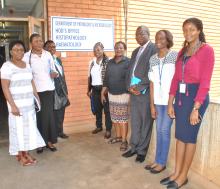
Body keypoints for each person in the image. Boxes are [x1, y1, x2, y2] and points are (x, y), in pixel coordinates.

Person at [161, 18, 215, 189]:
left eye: (192, 29)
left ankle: (183, 177)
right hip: (181, 98)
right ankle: (176, 172)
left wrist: (196, 108)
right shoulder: (182, 52)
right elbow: (176, 79)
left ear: (199, 30)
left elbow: (205, 82)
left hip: (196, 98)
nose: (188, 33)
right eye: (185, 30)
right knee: (180, 137)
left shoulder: (207, 50)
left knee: (189, 138)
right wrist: (170, 102)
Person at [0, 40, 45, 165]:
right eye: (16, 49)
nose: (19, 52)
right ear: (11, 52)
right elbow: (5, 87)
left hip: (29, 105)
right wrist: (13, 105)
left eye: (21, 49)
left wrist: (36, 97)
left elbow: (31, 82)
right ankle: (20, 155)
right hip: (16, 105)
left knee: (29, 130)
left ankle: (26, 152)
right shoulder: (7, 66)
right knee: (18, 130)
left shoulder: (27, 65)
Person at [122, 26, 157, 163]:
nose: (139, 36)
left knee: (145, 123)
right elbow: (130, 70)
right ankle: (133, 147)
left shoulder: (153, 49)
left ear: (148, 34)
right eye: (137, 34)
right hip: (133, 92)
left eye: (142, 33)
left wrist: (140, 87)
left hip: (145, 92)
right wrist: (129, 87)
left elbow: (152, 72)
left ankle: (142, 151)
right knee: (135, 122)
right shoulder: (136, 51)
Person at [144, 30, 177, 174]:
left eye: (162, 38)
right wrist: (151, 105)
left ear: (168, 40)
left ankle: (162, 162)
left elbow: (177, 81)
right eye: (157, 38)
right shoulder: (152, 59)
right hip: (157, 101)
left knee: (164, 130)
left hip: (171, 102)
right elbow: (151, 84)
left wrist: (173, 101)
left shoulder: (175, 56)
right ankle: (157, 160)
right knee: (158, 131)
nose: (158, 40)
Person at [23, 33, 58, 153]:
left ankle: (49, 141)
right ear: (31, 43)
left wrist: (54, 73)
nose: (39, 43)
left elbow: (52, 69)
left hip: (48, 89)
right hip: (35, 91)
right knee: (38, 117)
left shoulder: (47, 54)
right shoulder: (26, 57)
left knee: (48, 116)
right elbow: (25, 74)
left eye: (41, 41)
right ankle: (40, 143)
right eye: (36, 41)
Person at [101, 41, 130, 151]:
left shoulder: (128, 62)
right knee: (115, 118)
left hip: (123, 94)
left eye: (121, 48)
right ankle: (118, 137)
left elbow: (132, 78)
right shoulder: (110, 62)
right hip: (111, 94)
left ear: (124, 49)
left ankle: (124, 140)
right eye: (117, 48)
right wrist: (102, 93)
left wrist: (132, 92)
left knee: (123, 119)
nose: (118, 49)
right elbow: (106, 79)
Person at [44, 40, 69, 139]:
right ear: (44, 48)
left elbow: (62, 76)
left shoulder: (57, 59)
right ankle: (52, 134)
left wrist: (66, 90)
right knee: (52, 114)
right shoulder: (44, 60)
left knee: (61, 113)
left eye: (53, 47)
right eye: (49, 47)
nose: (51, 49)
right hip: (51, 91)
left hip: (61, 90)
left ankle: (60, 131)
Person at [87, 42, 112, 139]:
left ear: (103, 49)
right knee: (97, 109)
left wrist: (106, 89)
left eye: (98, 49)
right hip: (95, 89)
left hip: (105, 89)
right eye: (95, 50)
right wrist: (88, 89)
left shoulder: (108, 61)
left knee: (107, 110)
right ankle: (99, 126)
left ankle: (108, 129)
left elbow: (110, 77)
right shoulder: (91, 62)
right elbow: (89, 77)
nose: (96, 52)